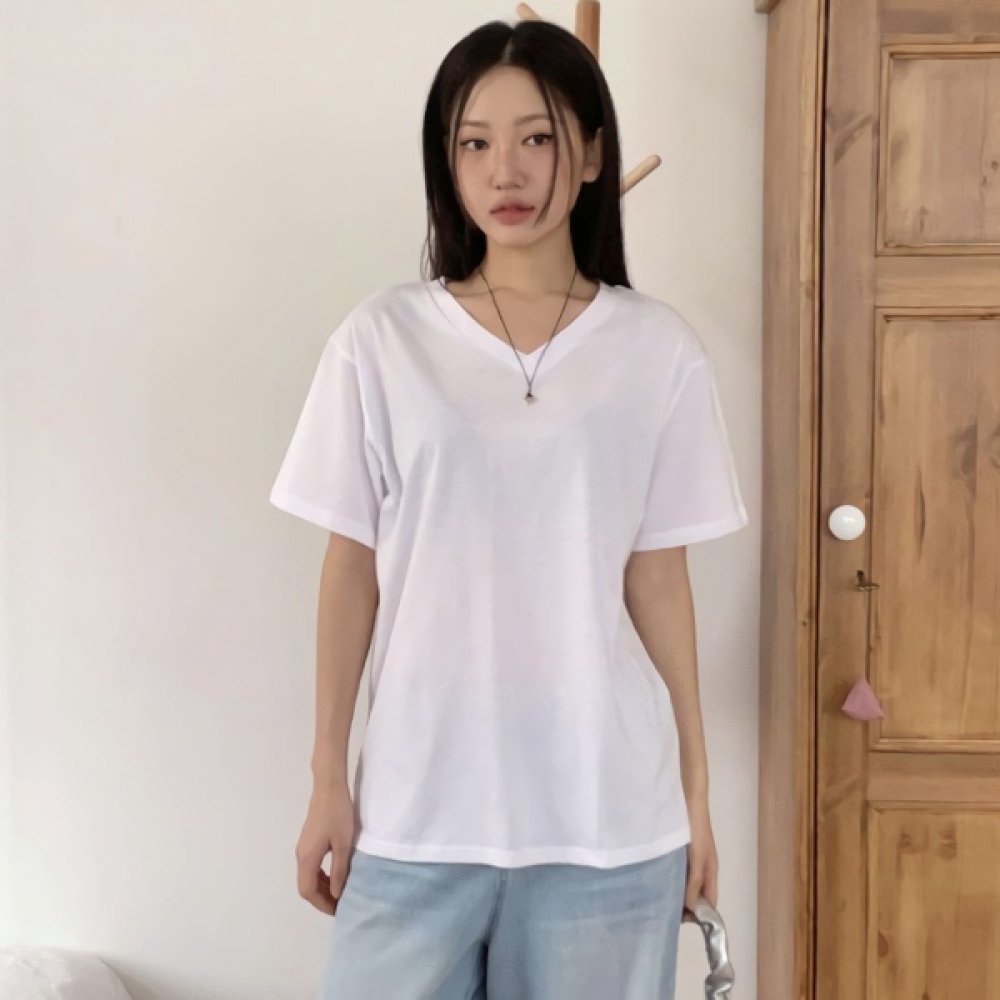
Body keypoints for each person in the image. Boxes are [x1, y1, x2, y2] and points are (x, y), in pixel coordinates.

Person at [269, 17, 749, 1000]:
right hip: (412, 819)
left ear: (592, 154)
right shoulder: (381, 341)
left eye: (537, 137)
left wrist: (697, 796)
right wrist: (328, 778)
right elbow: (350, 569)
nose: (506, 170)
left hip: (607, 829)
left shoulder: (658, 351)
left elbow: (659, 581)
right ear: (445, 165)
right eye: (474, 142)